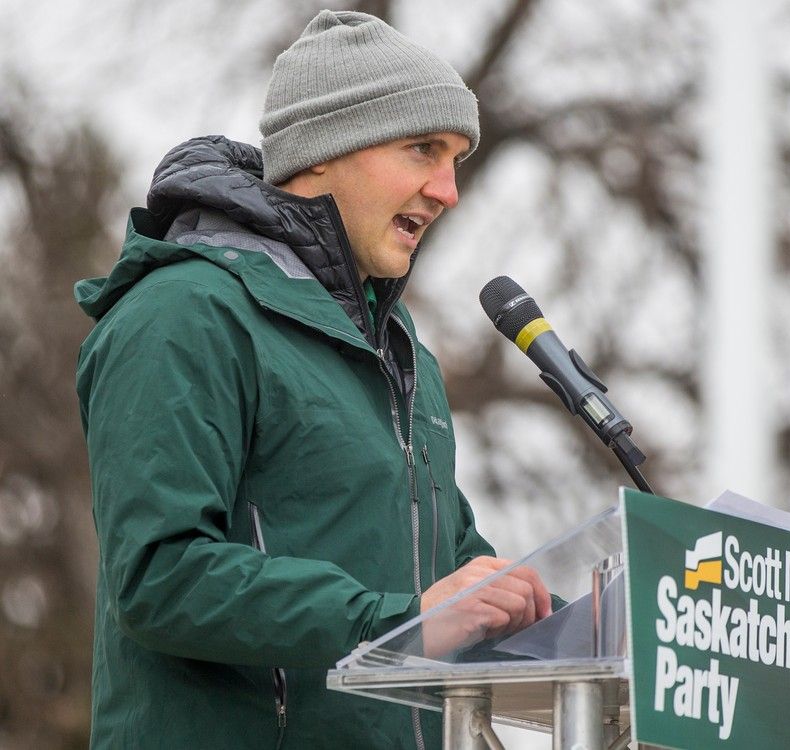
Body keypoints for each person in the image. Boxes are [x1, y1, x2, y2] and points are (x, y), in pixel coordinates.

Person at [75, 11, 550, 749]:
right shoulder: (187, 313)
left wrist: (534, 611)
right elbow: (158, 576)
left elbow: (444, 570)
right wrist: (396, 624)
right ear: (325, 151)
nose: (448, 189)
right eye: (423, 149)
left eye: (456, 158)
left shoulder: (399, 350)